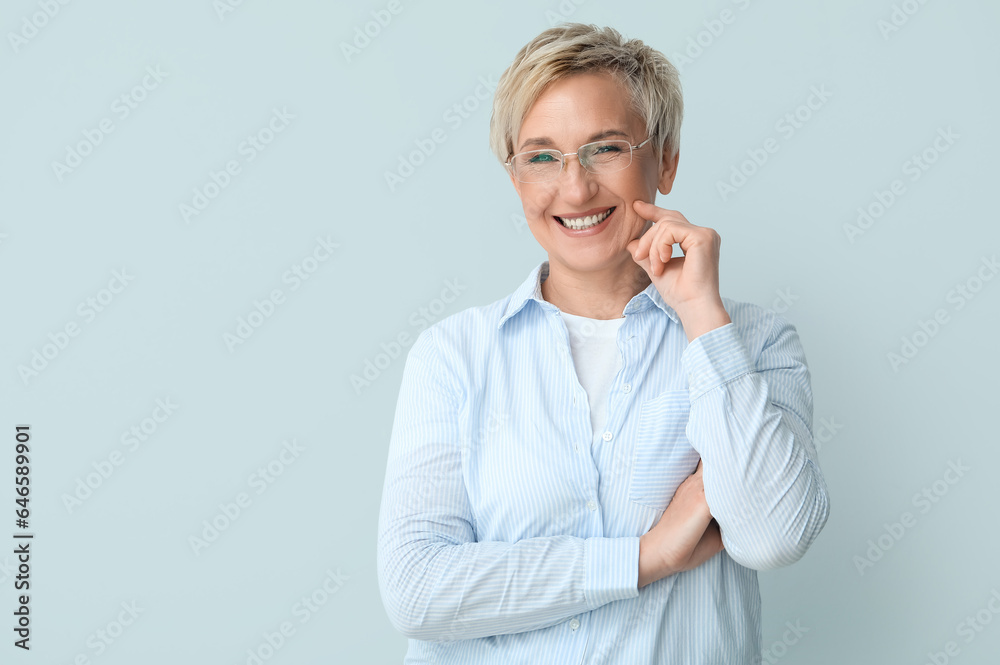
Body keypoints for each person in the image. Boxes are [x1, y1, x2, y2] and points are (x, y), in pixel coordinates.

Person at [377, 22, 830, 664]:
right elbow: (417, 593)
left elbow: (772, 536)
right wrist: (643, 558)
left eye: (606, 148)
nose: (575, 188)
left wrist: (702, 313)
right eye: (541, 156)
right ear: (515, 177)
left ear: (666, 159)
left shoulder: (752, 342)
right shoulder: (453, 355)